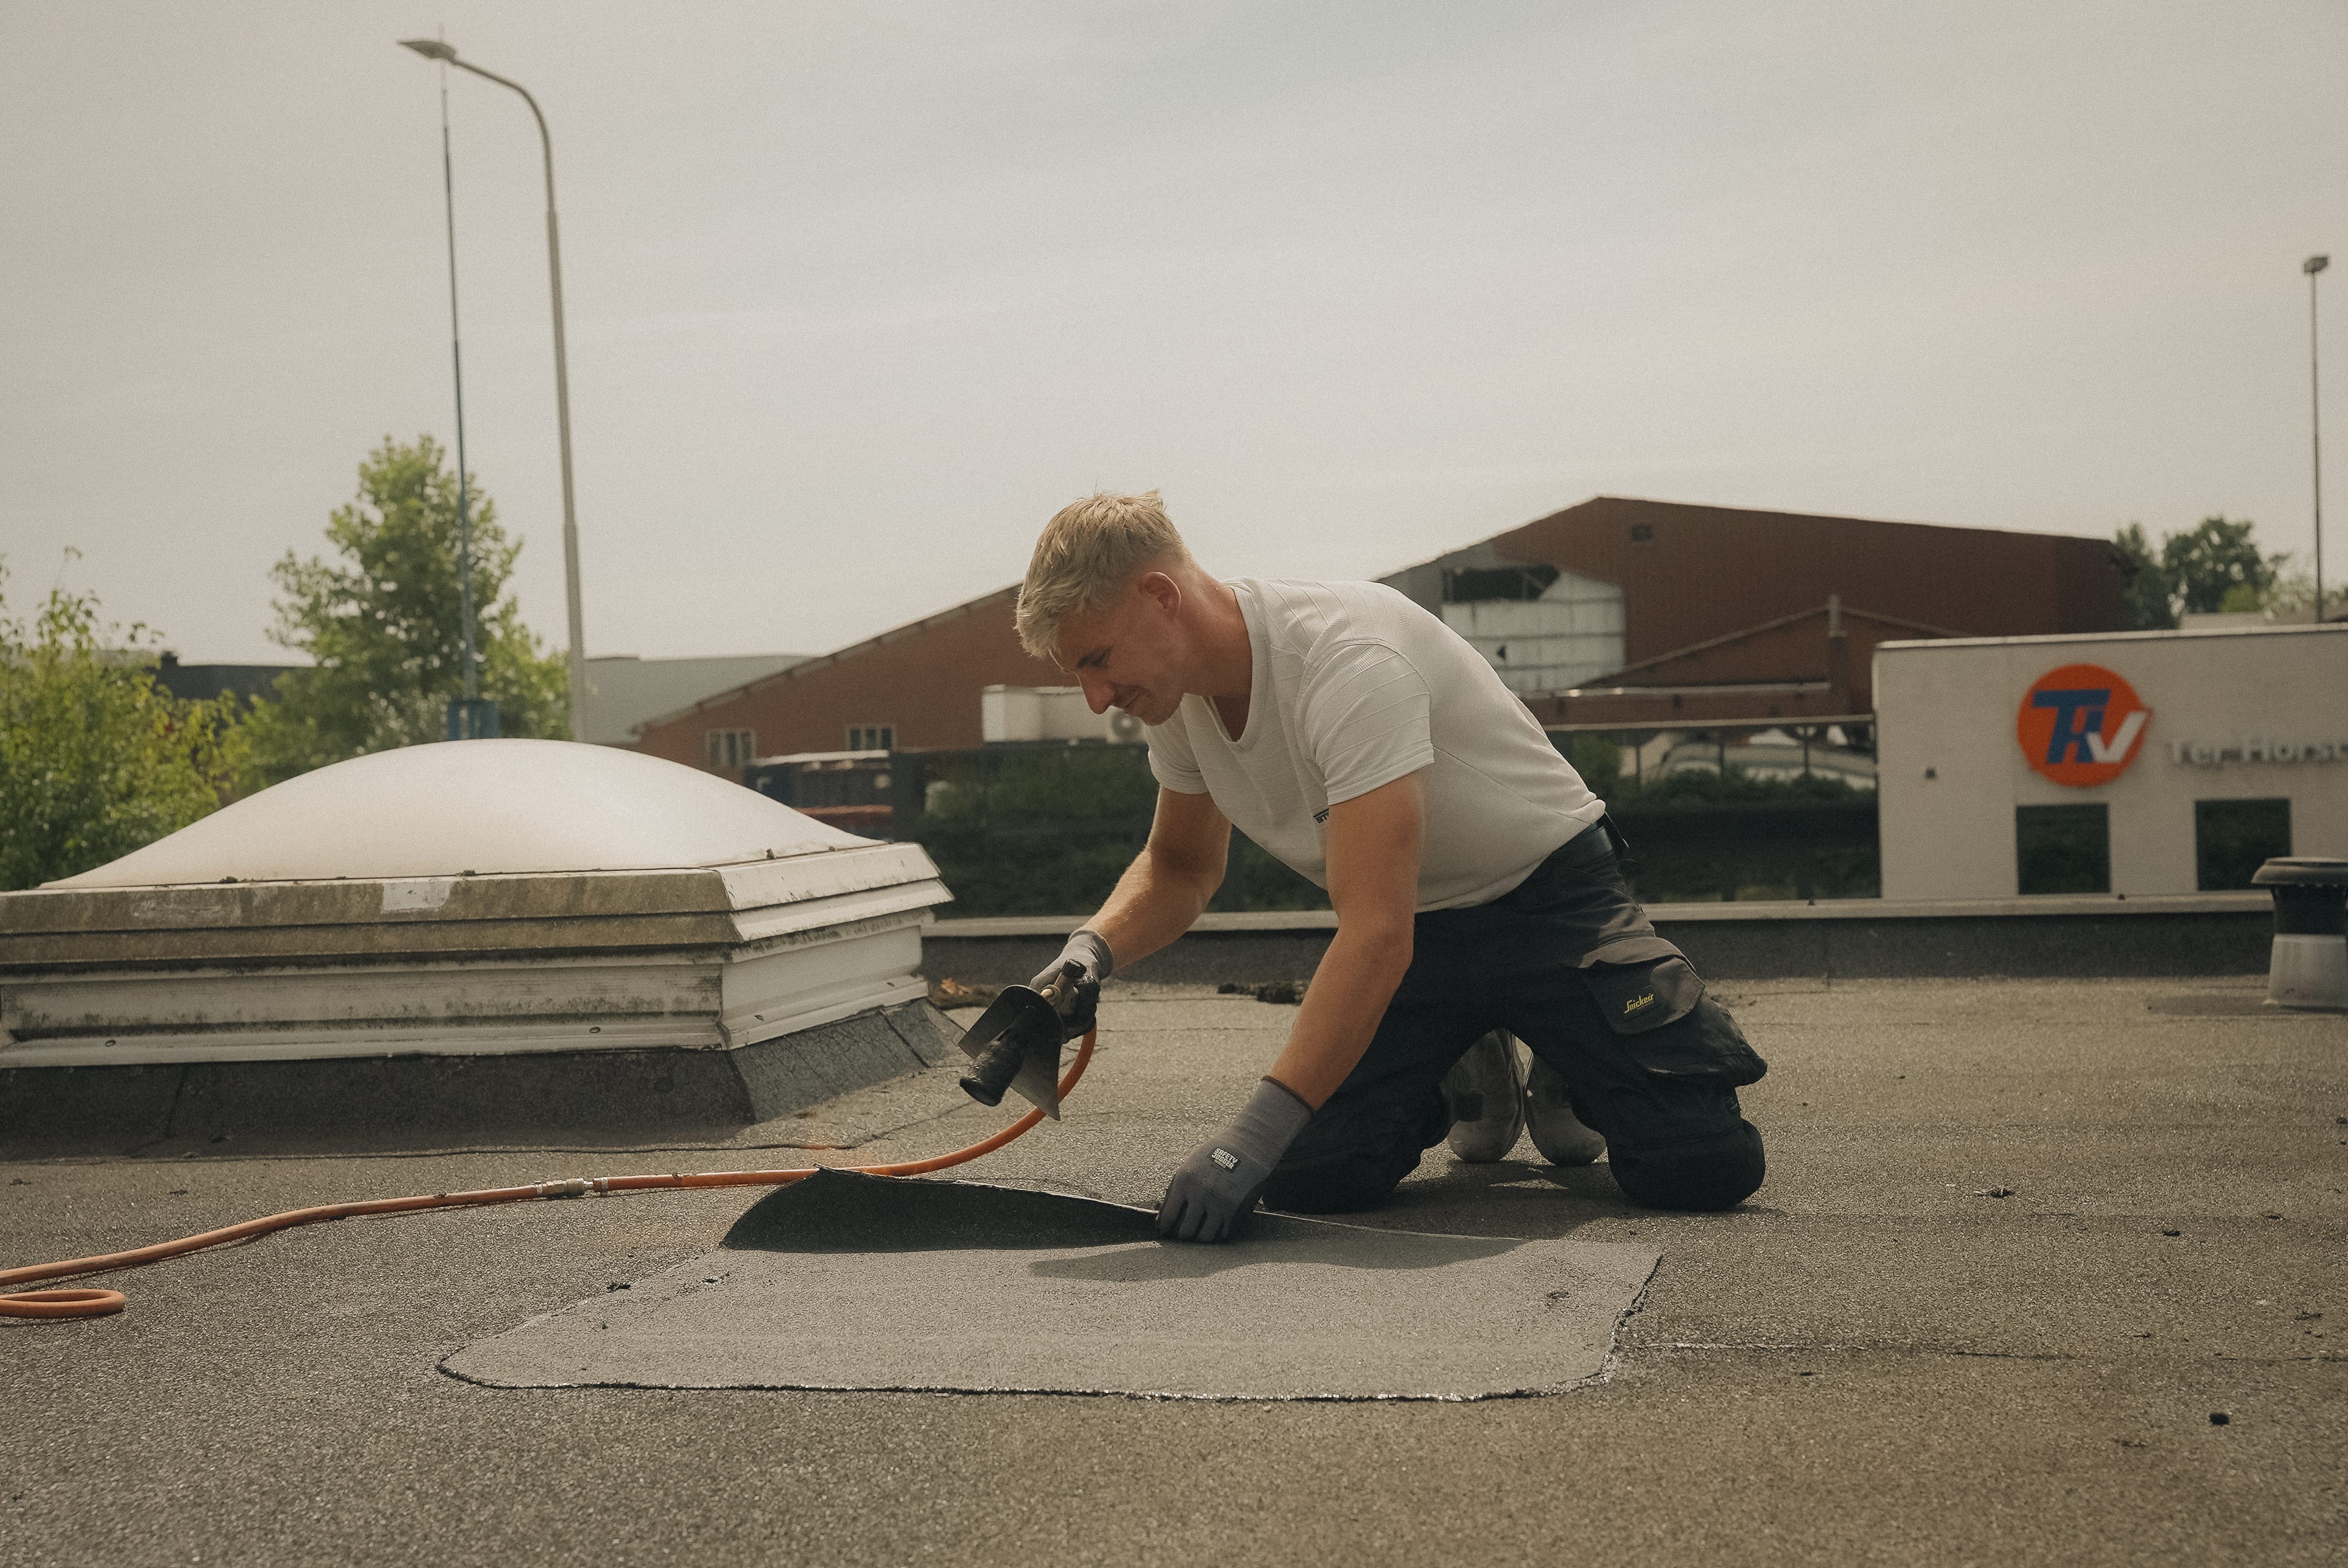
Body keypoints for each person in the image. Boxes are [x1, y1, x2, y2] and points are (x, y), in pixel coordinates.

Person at [1012, 491, 1768, 1242]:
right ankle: (1468, 1048)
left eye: (1098, 660)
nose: (1095, 698)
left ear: (1160, 596)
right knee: (1317, 1179)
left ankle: (1569, 1056)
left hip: (1551, 902)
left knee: (1700, 1167)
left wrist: (1244, 1142)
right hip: (1418, 935)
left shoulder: (1347, 660)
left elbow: (1374, 934)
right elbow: (1179, 867)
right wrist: (1088, 954)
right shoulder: (1177, 698)